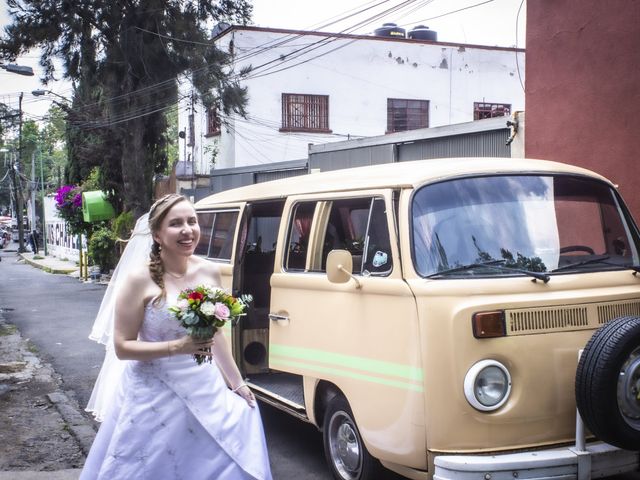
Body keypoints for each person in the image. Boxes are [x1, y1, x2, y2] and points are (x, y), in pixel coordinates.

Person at [81, 194, 272, 480]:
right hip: (153, 390)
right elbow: (122, 347)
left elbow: (215, 333)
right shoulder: (137, 279)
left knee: (221, 457)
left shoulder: (209, 271)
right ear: (158, 234)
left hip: (204, 385)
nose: (187, 230)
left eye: (192, 221)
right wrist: (177, 347)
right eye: (176, 224)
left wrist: (236, 382)